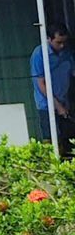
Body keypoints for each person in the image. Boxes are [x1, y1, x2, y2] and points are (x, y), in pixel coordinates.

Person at [30, 20, 72, 157]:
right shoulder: (39, 54)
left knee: (67, 139)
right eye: (58, 42)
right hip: (47, 104)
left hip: (65, 100)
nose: (62, 45)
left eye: (64, 42)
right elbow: (41, 83)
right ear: (49, 39)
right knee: (51, 139)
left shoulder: (67, 52)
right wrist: (57, 106)